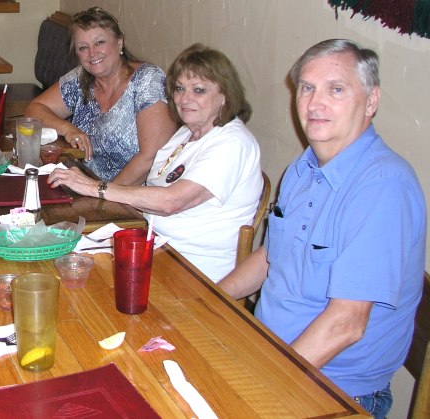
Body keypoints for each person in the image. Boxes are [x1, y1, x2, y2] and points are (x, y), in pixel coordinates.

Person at [218, 39, 426, 419]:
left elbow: (346, 324)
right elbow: (270, 257)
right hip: (268, 350)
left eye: (336, 89)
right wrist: (207, 304)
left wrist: (260, 384)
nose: (315, 103)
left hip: (332, 389)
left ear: (371, 101)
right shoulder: (304, 166)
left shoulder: (383, 186)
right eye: (307, 88)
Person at [49, 44, 262, 281]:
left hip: (193, 271)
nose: (185, 98)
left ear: (225, 95)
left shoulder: (233, 143)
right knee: (60, 256)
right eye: (180, 88)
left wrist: (95, 188)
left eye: (199, 90)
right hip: (153, 246)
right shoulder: (186, 133)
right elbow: (153, 191)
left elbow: (171, 201)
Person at [24, 6, 177, 183]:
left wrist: (101, 196)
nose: (92, 53)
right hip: (86, 186)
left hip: (130, 198)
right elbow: (34, 110)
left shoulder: (147, 80)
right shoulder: (81, 78)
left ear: (119, 42)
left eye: (99, 43)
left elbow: (149, 159)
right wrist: (69, 129)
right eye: (83, 47)